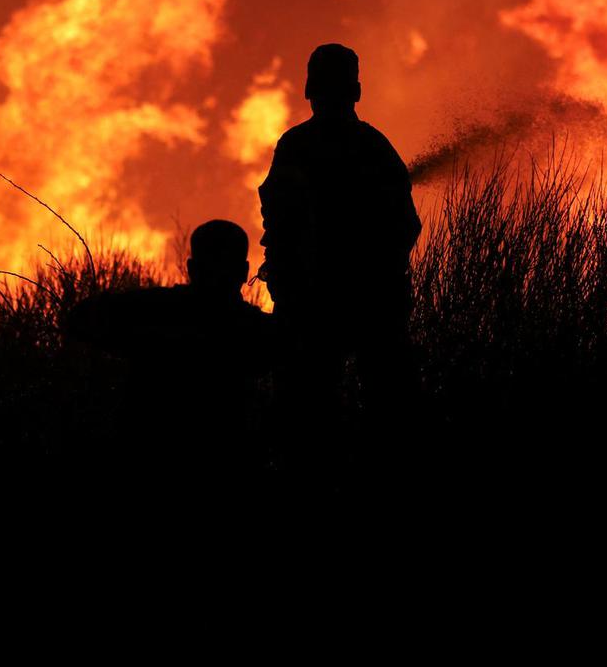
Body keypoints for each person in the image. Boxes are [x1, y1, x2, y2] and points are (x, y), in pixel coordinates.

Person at [257, 44, 421, 476]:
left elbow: (276, 219)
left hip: (346, 305)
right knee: (368, 414)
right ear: (357, 90)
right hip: (342, 305)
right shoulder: (369, 147)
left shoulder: (299, 146)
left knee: (315, 417)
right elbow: (406, 226)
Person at [63, 220, 273, 481]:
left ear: (191, 269)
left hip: (146, 465)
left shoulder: (151, 309)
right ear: (243, 272)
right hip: (222, 470)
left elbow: (79, 319)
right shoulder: (256, 331)